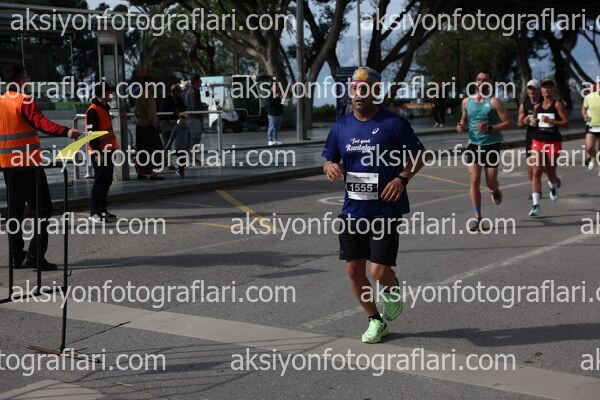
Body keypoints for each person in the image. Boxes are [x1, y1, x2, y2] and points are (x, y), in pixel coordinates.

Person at [322, 67, 426, 344]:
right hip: (352, 209)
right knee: (353, 270)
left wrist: (402, 178)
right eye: (354, 89)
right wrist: (330, 167)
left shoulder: (394, 124)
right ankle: (375, 320)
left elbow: (419, 156)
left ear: (376, 91)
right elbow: (329, 159)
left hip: (385, 209)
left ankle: (391, 286)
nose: (358, 94)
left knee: (378, 271)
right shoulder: (340, 127)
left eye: (364, 89)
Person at [0, 65, 82, 271]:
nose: (28, 82)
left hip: (8, 165)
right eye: (27, 78)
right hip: (27, 164)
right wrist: (66, 131)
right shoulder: (24, 100)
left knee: (15, 211)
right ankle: (35, 256)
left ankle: (16, 256)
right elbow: (41, 123)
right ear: (20, 80)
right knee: (42, 208)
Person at [456, 71, 513, 231]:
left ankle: (494, 189)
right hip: (473, 145)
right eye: (479, 79)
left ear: (490, 83)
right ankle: (478, 219)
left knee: (490, 182)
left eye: (485, 80)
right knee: (474, 180)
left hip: (491, 145)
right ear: (475, 82)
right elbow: (463, 120)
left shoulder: (494, 102)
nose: (481, 82)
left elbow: (509, 123)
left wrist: (490, 128)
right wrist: (460, 126)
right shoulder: (466, 101)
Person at [528, 79, 570, 216]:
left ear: (553, 89)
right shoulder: (537, 107)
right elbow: (534, 123)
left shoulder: (557, 104)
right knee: (536, 171)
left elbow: (567, 123)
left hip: (553, 140)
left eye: (549, 87)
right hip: (538, 139)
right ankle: (535, 204)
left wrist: (551, 121)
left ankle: (552, 186)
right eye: (544, 87)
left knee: (551, 171)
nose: (547, 90)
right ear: (541, 90)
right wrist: (533, 122)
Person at [86, 80, 120, 223]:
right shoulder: (93, 110)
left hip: (108, 150)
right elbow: (92, 135)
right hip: (100, 152)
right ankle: (95, 212)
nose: (111, 94)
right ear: (102, 93)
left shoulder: (104, 108)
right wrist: (98, 153)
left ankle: (102, 209)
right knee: (100, 181)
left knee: (106, 180)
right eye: (109, 91)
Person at [517, 79, 543, 198]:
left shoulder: (545, 102)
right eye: (529, 89)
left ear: (539, 90)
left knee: (543, 167)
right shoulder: (524, 105)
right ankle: (536, 191)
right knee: (532, 167)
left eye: (534, 89)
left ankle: (552, 178)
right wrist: (524, 121)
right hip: (531, 137)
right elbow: (519, 124)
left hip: (546, 137)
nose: (532, 91)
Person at [134, 76, 164, 180]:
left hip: (139, 126)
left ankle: (141, 172)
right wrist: (155, 125)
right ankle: (153, 172)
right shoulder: (150, 97)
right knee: (155, 149)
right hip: (149, 127)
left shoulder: (139, 96)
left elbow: (136, 112)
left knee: (142, 150)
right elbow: (152, 115)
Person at [165, 112, 193, 178]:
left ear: (187, 120)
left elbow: (190, 137)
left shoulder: (188, 128)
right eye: (181, 118)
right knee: (181, 159)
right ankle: (181, 172)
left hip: (185, 148)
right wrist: (168, 145)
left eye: (184, 118)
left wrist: (190, 145)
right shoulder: (176, 127)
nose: (182, 120)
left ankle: (180, 170)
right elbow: (172, 137)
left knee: (184, 160)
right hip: (178, 147)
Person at [582, 82, 600, 170]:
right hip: (590, 124)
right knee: (589, 146)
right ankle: (590, 157)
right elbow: (584, 109)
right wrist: (585, 115)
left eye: (594, 87)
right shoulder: (588, 97)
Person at [185, 74, 204, 143]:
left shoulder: (196, 90)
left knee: (196, 139)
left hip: (195, 118)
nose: (201, 82)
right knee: (195, 139)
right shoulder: (192, 92)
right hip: (194, 119)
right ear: (196, 82)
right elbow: (194, 108)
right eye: (199, 80)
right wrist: (202, 108)